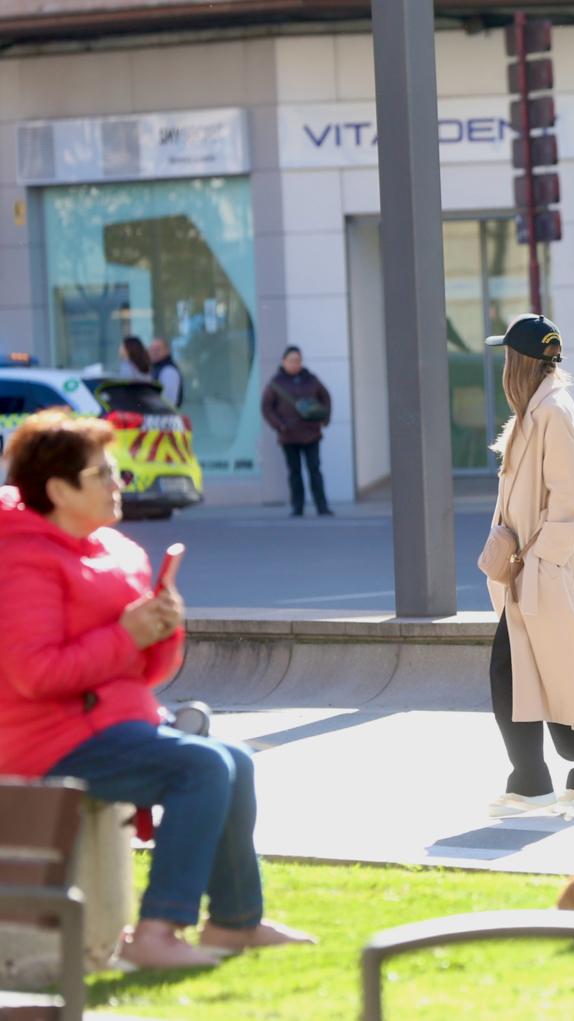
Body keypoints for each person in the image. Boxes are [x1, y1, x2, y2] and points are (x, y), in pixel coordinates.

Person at [0, 409, 313, 969]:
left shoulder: (116, 552)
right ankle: (156, 931)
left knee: (234, 760)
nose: (120, 483)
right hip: (47, 740)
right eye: (103, 474)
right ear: (58, 489)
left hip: (118, 723)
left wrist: (164, 629)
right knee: (202, 767)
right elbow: (34, 674)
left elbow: (146, 673)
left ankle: (233, 923)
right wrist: (125, 636)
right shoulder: (23, 558)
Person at [482, 314, 574, 817]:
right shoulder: (535, 411)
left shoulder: (552, 412)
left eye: (506, 356)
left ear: (519, 362)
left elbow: (573, 503)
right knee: (547, 674)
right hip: (528, 574)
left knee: (519, 672)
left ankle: (534, 782)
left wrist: (541, 564)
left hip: (541, 572)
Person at [260, 346, 333, 518]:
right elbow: (266, 408)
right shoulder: (276, 383)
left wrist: (324, 419)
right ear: (283, 362)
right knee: (294, 472)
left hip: (311, 433)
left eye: (298, 360)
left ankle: (322, 506)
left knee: (315, 470)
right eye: (291, 360)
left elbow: (326, 397)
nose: (295, 364)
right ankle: (297, 507)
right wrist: (280, 425)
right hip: (289, 435)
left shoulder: (311, 379)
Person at [149, 337, 184, 408]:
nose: (154, 352)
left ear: (167, 351)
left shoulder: (168, 370)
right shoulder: (156, 368)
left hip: (163, 417)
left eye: (158, 349)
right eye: (152, 349)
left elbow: (169, 402)